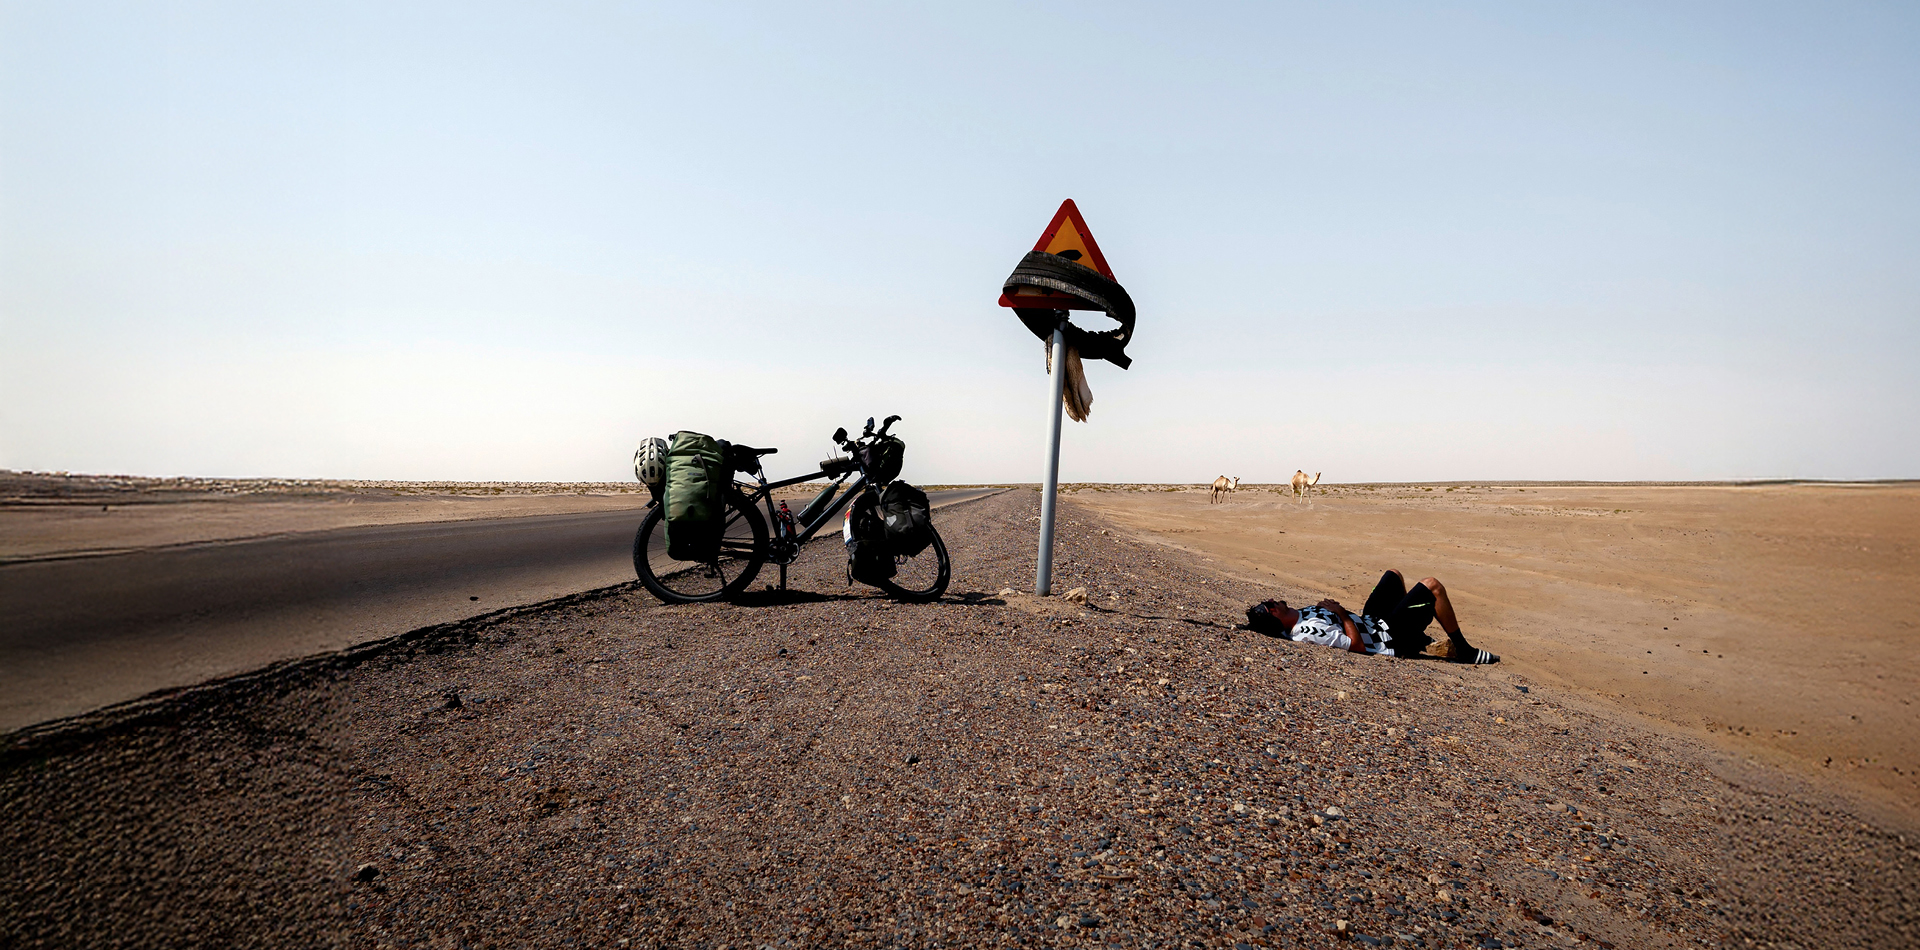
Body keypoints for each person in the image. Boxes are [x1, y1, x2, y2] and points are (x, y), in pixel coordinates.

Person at [1245, 570, 1500, 664]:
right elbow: (1356, 646)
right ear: (1274, 613)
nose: (1273, 600)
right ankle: (1464, 650)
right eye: (1269, 604)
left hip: (1373, 622)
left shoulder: (1297, 615)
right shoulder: (1307, 632)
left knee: (1392, 575)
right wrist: (1341, 613)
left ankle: (1419, 637)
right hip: (1387, 637)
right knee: (1432, 585)